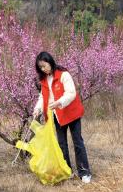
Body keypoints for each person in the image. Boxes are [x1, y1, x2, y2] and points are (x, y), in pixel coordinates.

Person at [33, 51, 91, 183]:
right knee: (62, 144)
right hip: (57, 115)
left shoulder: (63, 74)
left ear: (50, 61)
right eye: (40, 67)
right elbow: (43, 97)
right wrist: (38, 109)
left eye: (44, 65)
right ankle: (67, 171)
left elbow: (71, 93)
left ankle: (84, 172)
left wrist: (59, 102)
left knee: (77, 142)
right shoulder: (43, 80)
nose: (43, 69)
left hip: (71, 112)